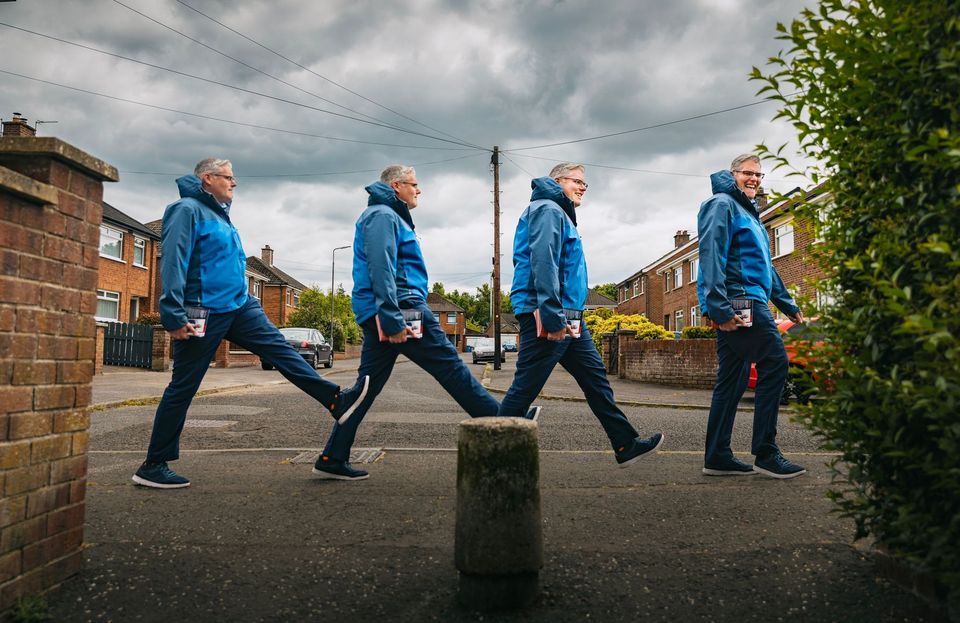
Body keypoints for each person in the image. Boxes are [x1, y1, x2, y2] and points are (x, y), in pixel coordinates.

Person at [132, 158, 369, 489]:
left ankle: (334, 399)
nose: (235, 182)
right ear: (207, 178)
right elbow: (173, 259)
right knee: (184, 384)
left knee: (280, 350)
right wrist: (172, 313)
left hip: (240, 305)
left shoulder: (221, 215)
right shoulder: (185, 210)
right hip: (202, 308)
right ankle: (153, 464)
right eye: (228, 177)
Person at [314, 165, 534, 481]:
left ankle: (332, 456)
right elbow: (382, 268)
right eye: (414, 184)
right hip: (401, 308)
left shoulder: (389, 216)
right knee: (451, 367)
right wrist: (390, 317)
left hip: (390, 309)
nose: (419, 190)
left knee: (368, 386)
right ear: (396, 185)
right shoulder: (383, 216)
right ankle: (505, 424)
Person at [497, 163, 664, 467]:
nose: (583, 187)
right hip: (550, 312)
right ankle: (488, 452)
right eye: (577, 181)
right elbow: (543, 262)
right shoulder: (547, 209)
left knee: (595, 379)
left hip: (571, 315)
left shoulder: (560, 213)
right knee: (525, 387)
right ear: (557, 181)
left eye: (585, 183)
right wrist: (550, 314)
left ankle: (625, 443)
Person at [697, 153, 806, 479]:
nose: (754, 178)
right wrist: (718, 307)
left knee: (732, 379)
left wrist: (788, 305)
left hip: (750, 298)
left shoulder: (750, 214)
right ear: (733, 175)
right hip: (739, 300)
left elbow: (766, 268)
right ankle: (766, 452)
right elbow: (710, 255)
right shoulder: (720, 204)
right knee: (776, 362)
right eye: (747, 173)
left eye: (758, 174)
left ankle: (717, 455)